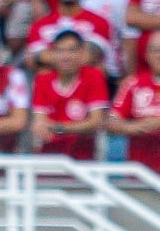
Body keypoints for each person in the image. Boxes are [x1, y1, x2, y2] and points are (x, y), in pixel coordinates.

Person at [32, 29, 110, 159]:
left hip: (85, 159)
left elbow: (96, 122)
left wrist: (60, 128)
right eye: (60, 51)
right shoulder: (42, 80)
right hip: (49, 158)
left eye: (71, 50)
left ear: (82, 53)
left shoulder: (94, 76)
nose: (66, 56)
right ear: (52, 54)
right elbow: (39, 122)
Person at [28, 0, 113, 69]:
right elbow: (32, 61)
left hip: (85, 84)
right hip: (52, 85)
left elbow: (87, 57)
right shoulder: (39, 25)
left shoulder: (99, 22)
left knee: (98, 70)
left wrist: (45, 57)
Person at [110, 33, 160, 170]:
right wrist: (134, 127)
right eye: (155, 50)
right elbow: (111, 122)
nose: (158, 55)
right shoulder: (133, 83)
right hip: (139, 172)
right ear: (147, 55)